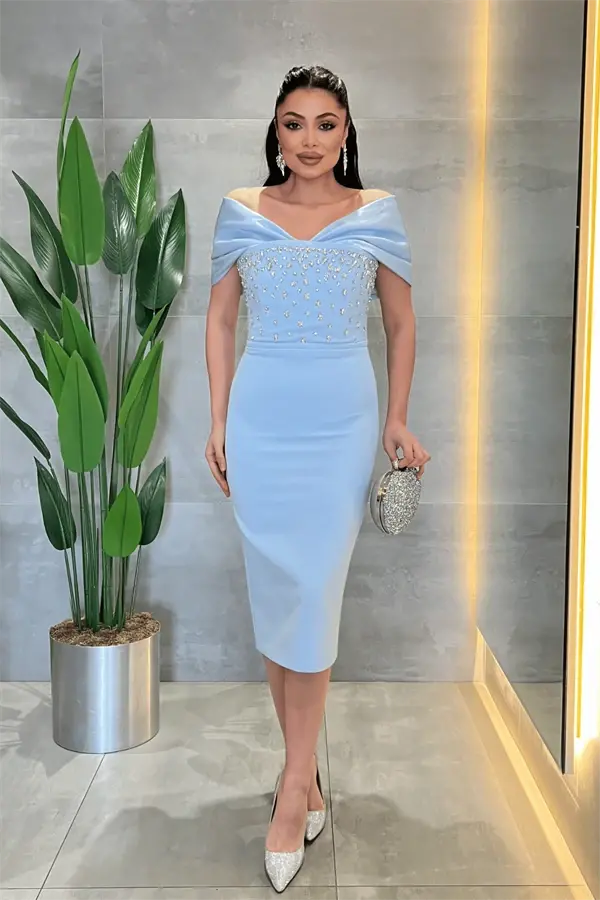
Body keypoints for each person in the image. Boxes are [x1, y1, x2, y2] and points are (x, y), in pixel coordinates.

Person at [204, 64, 430, 892]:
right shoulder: (240, 210)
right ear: (275, 131)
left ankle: (293, 787)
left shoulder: (376, 213)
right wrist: (219, 421)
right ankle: (304, 777)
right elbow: (220, 319)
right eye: (293, 123)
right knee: (279, 595)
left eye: (325, 123)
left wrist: (397, 419)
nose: (308, 139)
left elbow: (401, 325)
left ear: (346, 131)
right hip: (260, 422)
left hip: (340, 425)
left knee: (314, 591)